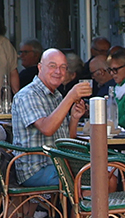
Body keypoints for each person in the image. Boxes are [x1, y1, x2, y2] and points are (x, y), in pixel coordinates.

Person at [8, 48, 91, 187]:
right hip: (36, 169)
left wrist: (74, 118)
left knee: (107, 177)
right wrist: (70, 97)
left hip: (58, 163)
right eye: (52, 66)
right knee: (92, 182)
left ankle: (83, 202)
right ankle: (81, 201)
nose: (58, 71)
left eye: (63, 67)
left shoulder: (57, 95)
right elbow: (47, 129)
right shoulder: (28, 95)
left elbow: (67, 141)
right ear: (40, 67)